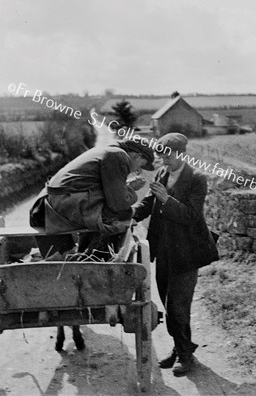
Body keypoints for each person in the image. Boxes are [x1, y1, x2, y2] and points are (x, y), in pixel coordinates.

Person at [133, 133, 219, 376]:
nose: (162, 160)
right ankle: (180, 346)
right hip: (164, 251)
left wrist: (166, 199)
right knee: (169, 305)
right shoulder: (162, 174)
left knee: (178, 306)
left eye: (167, 155)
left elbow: (191, 216)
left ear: (181, 154)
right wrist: (131, 214)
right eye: (160, 156)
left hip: (187, 252)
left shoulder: (197, 179)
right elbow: (149, 202)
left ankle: (186, 356)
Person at [30, 138, 155, 258]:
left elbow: (105, 191)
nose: (137, 170)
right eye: (140, 166)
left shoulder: (108, 150)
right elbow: (118, 204)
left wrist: (126, 188)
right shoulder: (118, 155)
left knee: (111, 214)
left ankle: (86, 254)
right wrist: (130, 193)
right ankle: (96, 259)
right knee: (117, 221)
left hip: (51, 202)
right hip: (62, 202)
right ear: (137, 156)